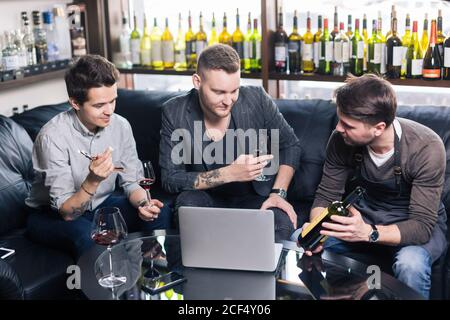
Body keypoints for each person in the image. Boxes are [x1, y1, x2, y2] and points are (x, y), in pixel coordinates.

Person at [298, 74, 447, 299]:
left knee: (411, 264)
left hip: (412, 224)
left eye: (348, 125)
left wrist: (368, 233)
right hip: (366, 216)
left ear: (378, 128)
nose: (338, 128)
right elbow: (326, 195)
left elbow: (421, 226)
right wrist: (317, 233)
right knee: (299, 237)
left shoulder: (426, 147)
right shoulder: (341, 139)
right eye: (340, 120)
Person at [26, 55, 171, 259]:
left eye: (113, 101)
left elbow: (131, 182)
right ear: (75, 103)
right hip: (51, 215)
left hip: (101, 205)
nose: (109, 111)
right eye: (99, 105)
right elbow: (67, 212)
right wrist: (93, 180)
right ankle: (105, 290)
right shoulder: (52, 137)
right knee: (89, 236)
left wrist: (143, 204)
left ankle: (151, 276)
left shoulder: (121, 126)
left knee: (160, 212)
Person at [159, 44, 301, 241]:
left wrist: (278, 193)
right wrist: (229, 173)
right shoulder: (174, 112)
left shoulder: (257, 99)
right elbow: (170, 178)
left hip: (255, 197)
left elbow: (291, 145)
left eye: (234, 90)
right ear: (197, 81)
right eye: (219, 92)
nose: (228, 100)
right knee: (187, 204)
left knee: (280, 221)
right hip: (206, 198)